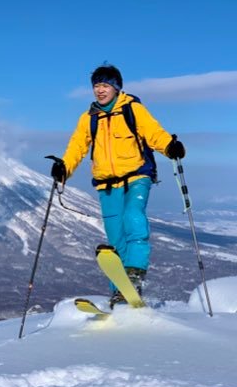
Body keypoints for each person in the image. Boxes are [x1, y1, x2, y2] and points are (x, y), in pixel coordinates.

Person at [51, 63, 185, 308]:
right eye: (96, 86)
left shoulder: (132, 109)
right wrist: (64, 169)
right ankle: (119, 293)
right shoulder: (89, 118)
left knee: (134, 218)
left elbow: (153, 133)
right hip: (107, 185)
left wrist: (169, 146)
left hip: (137, 177)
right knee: (115, 239)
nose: (99, 90)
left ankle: (134, 276)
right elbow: (77, 148)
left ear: (116, 87)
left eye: (104, 85)